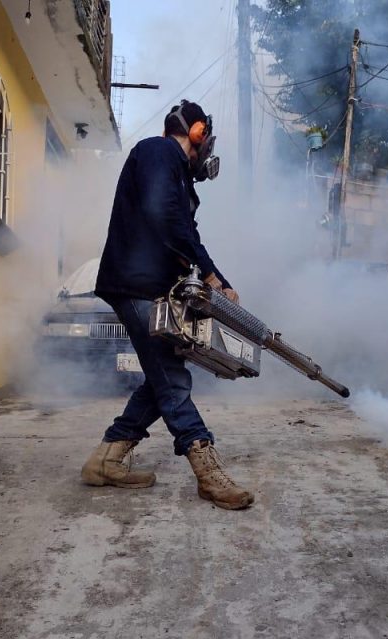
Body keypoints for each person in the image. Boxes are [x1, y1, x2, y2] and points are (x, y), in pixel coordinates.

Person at [81, 100, 254, 511]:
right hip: (136, 285)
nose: (208, 149)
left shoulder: (177, 177)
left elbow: (184, 234)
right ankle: (207, 470)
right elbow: (165, 219)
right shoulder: (158, 152)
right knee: (173, 379)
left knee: (160, 378)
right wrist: (210, 277)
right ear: (197, 133)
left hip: (150, 288)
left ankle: (105, 461)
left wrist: (219, 280)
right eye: (206, 139)